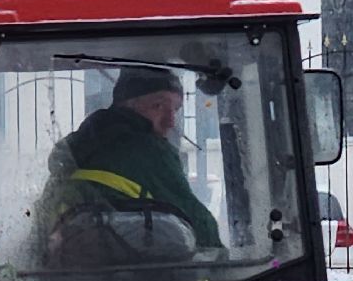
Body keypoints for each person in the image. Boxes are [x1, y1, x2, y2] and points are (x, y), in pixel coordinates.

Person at [38, 66, 222, 251]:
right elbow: (199, 225)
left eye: (176, 109)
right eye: (158, 106)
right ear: (127, 105)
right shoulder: (147, 150)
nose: (171, 121)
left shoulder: (76, 154)